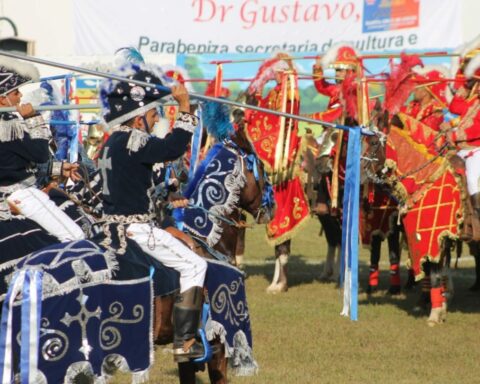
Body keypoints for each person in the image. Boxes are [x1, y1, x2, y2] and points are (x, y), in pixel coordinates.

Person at [98, 62, 207, 362]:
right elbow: (172, 148)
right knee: (195, 265)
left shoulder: (109, 144)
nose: (155, 118)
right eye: (151, 115)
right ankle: (184, 342)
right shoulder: (134, 140)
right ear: (136, 121)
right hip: (139, 230)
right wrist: (185, 109)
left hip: (109, 228)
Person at [0, 57, 85, 242]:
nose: (20, 96)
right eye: (15, 92)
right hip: (20, 194)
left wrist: (59, 168)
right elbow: (40, 154)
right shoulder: (9, 126)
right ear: (2, 98)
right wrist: (33, 118)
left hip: (13, 191)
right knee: (76, 237)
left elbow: (13, 163)